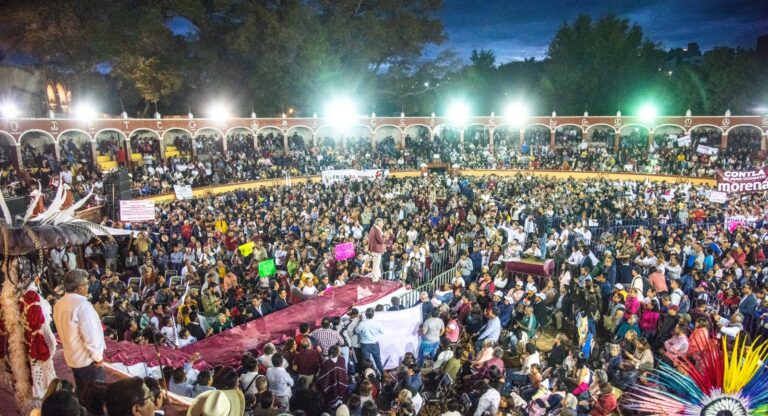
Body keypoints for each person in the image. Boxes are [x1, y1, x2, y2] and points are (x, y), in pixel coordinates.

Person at [53, 269, 106, 395]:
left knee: (82, 391)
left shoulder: (59, 303)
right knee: (95, 397)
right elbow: (91, 336)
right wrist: (98, 357)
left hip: (72, 357)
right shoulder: (82, 305)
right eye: (86, 284)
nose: (88, 286)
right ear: (78, 288)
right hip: (88, 360)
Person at [355, 308, 386, 378]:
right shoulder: (377, 323)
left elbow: (356, 331)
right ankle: (382, 376)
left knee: (366, 363)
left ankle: (367, 378)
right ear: (373, 315)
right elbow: (382, 332)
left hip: (365, 345)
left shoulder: (362, 324)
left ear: (365, 315)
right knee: (378, 361)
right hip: (374, 344)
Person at [368, 218, 386, 282]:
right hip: (376, 250)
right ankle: (375, 279)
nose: (383, 224)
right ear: (378, 223)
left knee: (376, 264)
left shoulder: (372, 228)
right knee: (376, 265)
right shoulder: (377, 230)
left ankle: (377, 277)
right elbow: (380, 241)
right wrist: (384, 236)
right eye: (382, 223)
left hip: (374, 249)